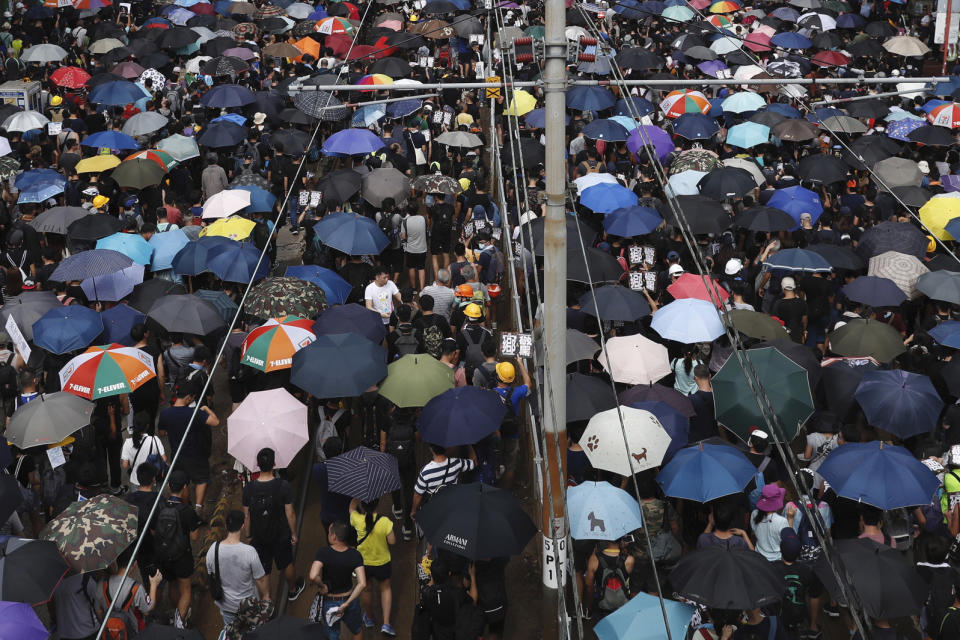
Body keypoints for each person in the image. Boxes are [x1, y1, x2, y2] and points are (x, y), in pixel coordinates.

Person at [242, 447, 305, 602]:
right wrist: (293, 533)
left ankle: (266, 599)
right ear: (274, 463)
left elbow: (247, 516)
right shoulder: (283, 486)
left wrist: (249, 535)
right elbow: (290, 513)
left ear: (257, 465)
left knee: (263, 569)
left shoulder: (249, 488)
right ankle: (292, 589)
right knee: (286, 562)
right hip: (280, 533)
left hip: (259, 535)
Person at [157, 379, 219, 515]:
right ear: (188, 397)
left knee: (182, 481)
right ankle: (198, 508)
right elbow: (215, 421)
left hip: (177, 455)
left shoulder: (165, 414)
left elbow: (161, 432)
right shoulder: (195, 413)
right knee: (201, 480)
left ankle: (185, 507)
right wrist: (206, 408)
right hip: (196, 455)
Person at [206, 510, 270, 628]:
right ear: (242, 526)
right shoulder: (249, 552)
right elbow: (260, 579)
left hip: (226, 606)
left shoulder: (213, 549)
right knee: (254, 633)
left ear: (226, 526)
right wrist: (266, 596)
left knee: (232, 633)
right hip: (248, 605)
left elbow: (211, 574)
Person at [153, 470, 201, 629]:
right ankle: (180, 624)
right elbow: (194, 537)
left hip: (164, 556)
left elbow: (154, 530)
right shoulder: (187, 511)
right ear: (185, 487)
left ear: (168, 486)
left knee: (172, 585)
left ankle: (176, 613)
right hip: (182, 556)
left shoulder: (160, 507)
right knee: (186, 590)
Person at [310, 521, 367, 640]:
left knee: (332, 635)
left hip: (330, 602)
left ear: (334, 536)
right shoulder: (355, 555)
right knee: (357, 630)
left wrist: (322, 586)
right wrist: (347, 603)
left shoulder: (323, 552)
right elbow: (362, 583)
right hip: (349, 600)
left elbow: (313, 575)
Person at [348, 498, 397, 636]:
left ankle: (369, 618)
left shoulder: (357, 519)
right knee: (385, 589)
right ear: (378, 504)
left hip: (363, 564)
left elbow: (351, 508)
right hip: (382, 563)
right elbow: (392, 541)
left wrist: (356, 497)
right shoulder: (384, 521)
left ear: (362, 505)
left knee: (366, 590)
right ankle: (386, 623)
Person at [774, 529, 823, 639]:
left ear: (781, 550)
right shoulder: (806, 570)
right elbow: (815, 593)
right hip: (799, 615)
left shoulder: (773, 568)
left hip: (778, 615)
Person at [491, 360, 531, 489]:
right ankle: (505, 494)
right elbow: (528, 384)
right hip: (513, 434)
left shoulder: (490, 394)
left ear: (498, 377)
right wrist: (520, 363)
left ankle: (494, 491)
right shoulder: (517, 392)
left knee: (495, 464)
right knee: (510, 466)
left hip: (496, 434)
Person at [411, 443, 477, 518]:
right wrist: (468, 444)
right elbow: (474, 462)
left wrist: (413, 511)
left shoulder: (425, 472)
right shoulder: (456, 463)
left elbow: (418, 495)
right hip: (451, 507)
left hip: (433, 510)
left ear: (431, 449)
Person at [583, 538, 635, 619]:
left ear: (606, 539)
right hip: (622, 603)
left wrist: (588, 607)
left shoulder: (594, 559)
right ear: (621, 540)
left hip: (602, 604)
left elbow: (589, 585)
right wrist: (624, 549)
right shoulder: (630, 560)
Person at [120, 411, 166, 491]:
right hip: (151, 480)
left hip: (135, 480)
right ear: (147, 426)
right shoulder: (155, 440)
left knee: (136, 502)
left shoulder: (128, 442)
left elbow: (124, 465)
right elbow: (164, 459)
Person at [751, 484, 792, 561]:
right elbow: (789, 542)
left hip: (759, 557)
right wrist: (790, 519)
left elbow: (754, 531)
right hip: (776, 560)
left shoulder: (754, 514)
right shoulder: (781, 521)